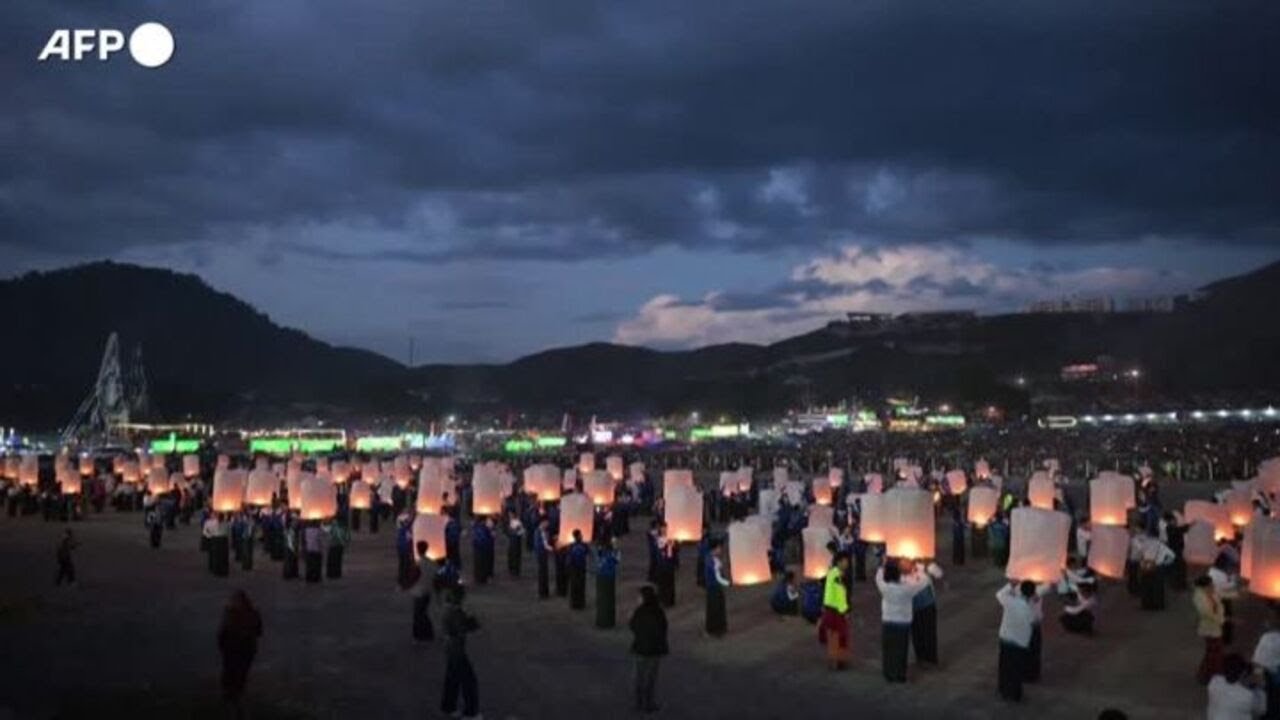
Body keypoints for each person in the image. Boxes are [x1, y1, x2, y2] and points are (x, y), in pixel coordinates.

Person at [875, 559, 928, 683]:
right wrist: (919, 568)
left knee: (889, 648)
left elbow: (878, 578)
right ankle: (899, 674)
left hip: (888, 620)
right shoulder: (907, 589)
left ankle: (888, 672)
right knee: (901, 650)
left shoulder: (885, 588)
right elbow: (923, 582)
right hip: (903, 622)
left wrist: (882, 565)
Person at [218, 589, 263, 719]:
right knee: (240, 675)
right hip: (246, 650)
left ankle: (231, 701)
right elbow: (259, 631)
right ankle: (237, 701)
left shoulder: (230, 613)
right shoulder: (253, 613)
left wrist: (223, 647)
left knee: (230, 674)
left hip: (233, 650)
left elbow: (222, 633)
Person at [440, 587, 481, 720]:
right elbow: (466, 627)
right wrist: (471, 617)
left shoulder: (449, 609)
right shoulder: (455, 612)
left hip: (451, 648)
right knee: (468, 680)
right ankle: (471, 712)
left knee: (452, 677)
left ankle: (448, 707)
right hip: (456, 648)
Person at [629, 585, 668, 715]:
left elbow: (633, 626)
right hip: (655, 650)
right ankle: (648, 703)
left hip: (640, 648)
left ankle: (638, 703)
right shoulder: (658, 611)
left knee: (639, 677)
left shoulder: (639, 611)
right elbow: (663, 628)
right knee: (650, 678)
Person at [997, 580, 1037, 702]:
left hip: (1006, 639)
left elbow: (999, 594)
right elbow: (1034, 621)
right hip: (1020, 643)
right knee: (1016, 670)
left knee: (1004, 666)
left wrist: (1011, 584)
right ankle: (1014, 694)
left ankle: (1003, 690)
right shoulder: (1030, 608)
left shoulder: (1010, 601)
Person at [1207, 653, 1266, 719]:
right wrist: (1260, 687)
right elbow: (1262, 710)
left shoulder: (1214, 682)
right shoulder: (1249, 696)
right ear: (1243, 674)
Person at [818, 553, 851, 670]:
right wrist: (845, 611)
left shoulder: (832, 573)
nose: (846, 563)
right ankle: (838, 661)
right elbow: (840, 595)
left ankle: (835, 660)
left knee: (833, 636)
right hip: (836, 611)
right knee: (839, 636)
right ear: (839, 562)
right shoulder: (837, 576)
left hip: (830, 609)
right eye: (844, 561)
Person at [909, 560, 944, 666]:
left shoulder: (924, 564)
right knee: (917, 632)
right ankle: (920, 657)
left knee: (929, 631)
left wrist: (928, 564)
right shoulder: (903, 565)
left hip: (928, 603)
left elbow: (939, 574)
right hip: (913, 604)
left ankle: (930, 658)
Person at [1197, 574, 1228, 684]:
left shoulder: (1210, 594)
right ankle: (1209, 675)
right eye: (1210, 585)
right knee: (1214, 653)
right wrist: (1223, 619)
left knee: (1212, 652)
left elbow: (1222, 596)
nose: (1212, 586)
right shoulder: (1200, 598)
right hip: (1210, 629)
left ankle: (1206, 675)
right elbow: (1207, 613)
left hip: (1214, 628)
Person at [1252, 606, 1280, 718]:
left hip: (1272, 680)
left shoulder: (1268, 639)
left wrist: (1259, 685)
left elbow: (1258, 664)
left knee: (1272, 706)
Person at [412, 540, 437, 642]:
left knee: (418, 615)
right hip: (428, 591)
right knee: (423, 613)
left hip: (419, 592)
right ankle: (428, 634)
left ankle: (419, 635)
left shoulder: (418, 563)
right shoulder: (431, 562)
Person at [704, 540, 730, 637]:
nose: (721, 550)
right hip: (713, 588)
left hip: (714, 588)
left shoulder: (712, 559)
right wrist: (728, 583)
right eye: (719, 548)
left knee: (717, 608)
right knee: (715, 609)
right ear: (714, 549)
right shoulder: (712, 561)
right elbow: (718, 577)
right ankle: (715, 630)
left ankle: (718, 629)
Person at [596, 539, 620, 629]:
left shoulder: (600, 554)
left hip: (600, 578)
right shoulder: (611, 555)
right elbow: (617, 561)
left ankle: (601, 620)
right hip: (609, 578)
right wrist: (616, 548)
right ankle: (608, 621)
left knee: (602, 600)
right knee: (609, 600)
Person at [568, 529, 590, 610]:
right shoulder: (582, 545)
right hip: (578, 568)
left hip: (576, 568)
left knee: (577, 586)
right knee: (579, 586)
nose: (581, 536)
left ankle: (576, 604)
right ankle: (579, 603)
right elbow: (587, 552)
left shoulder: (572, 546)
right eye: (580, 534)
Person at [472, 516, 495, 585]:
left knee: (478, 563)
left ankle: (478, 577)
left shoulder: (476, 527)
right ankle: (482, 578)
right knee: (483, 564)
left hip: (478, 548)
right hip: (483, 548)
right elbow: (487, 539)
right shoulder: (484, 528)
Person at [535, 518, 552, 599]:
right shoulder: (538, 532)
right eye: (546, 522)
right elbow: (541, 545)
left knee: (544, 573)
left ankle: (545, 591)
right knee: (542, 573)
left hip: (544, 554)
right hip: (541, 555)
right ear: (542, 523)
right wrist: (551, 548)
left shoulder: (544, 531)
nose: (547, 524)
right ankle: (542, 592)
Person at [506, 513, 524, 578]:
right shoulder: (509, 521)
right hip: (511, 541)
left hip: (516, 541)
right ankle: (511, 569)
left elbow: (522, 531)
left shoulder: (518, 522)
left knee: (516, 555)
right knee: (510, 555)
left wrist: (516, 532)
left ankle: (516, 570)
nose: (510, 515)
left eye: (511, 514)